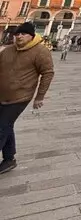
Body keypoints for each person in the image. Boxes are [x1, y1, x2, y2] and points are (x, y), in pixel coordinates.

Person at [0, 22, 55, 174]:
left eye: (23, 34)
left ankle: (9, 159)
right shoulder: (7, 51)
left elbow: (48, 73)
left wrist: (39, 97)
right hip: (2, 95)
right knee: (6, 125)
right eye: (17, 34)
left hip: (20, 97)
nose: (19, 37)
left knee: (2, 127)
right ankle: (9, 160)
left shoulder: (40, 51)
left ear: (31, 36)